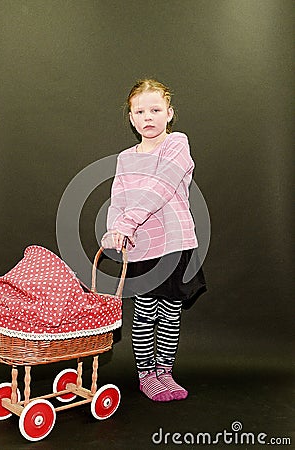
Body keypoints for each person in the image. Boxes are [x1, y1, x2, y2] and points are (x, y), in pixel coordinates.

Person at [101, 78, 206, 402]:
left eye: (156, 110)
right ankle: (147, 375)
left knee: (171, 311)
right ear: (131, 118)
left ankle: (165, 372)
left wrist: (128, 223)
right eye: (141, 111)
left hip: (174, 244)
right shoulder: (125, 158)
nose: (149, 117)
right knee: (146, 311)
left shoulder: (177, 145)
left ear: (169, 114)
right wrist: (114, 230)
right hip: (143, 246)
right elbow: (117, 197)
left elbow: (159, 188)